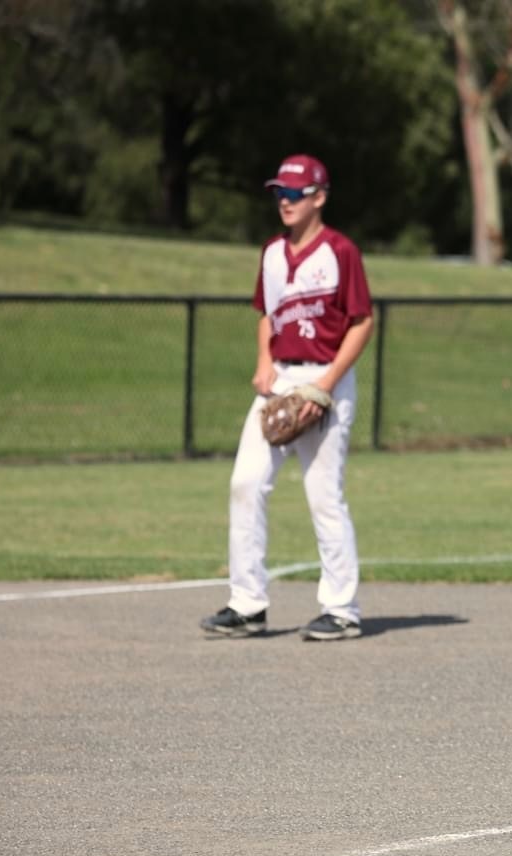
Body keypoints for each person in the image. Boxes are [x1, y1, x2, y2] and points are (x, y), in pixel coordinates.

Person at [200, 154, 373, 642]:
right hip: (280, 380)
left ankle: (341, 610)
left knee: (323, 496)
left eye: (295, 193)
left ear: (319, 197)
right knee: (245, 482)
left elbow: (362, 322)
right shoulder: (272, 252)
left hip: (326, 378)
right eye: (280, 192)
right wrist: (263, 361)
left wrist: (327, 384)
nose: (285, 201)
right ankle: (247, 604)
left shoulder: (341, 251)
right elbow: (265, 314)